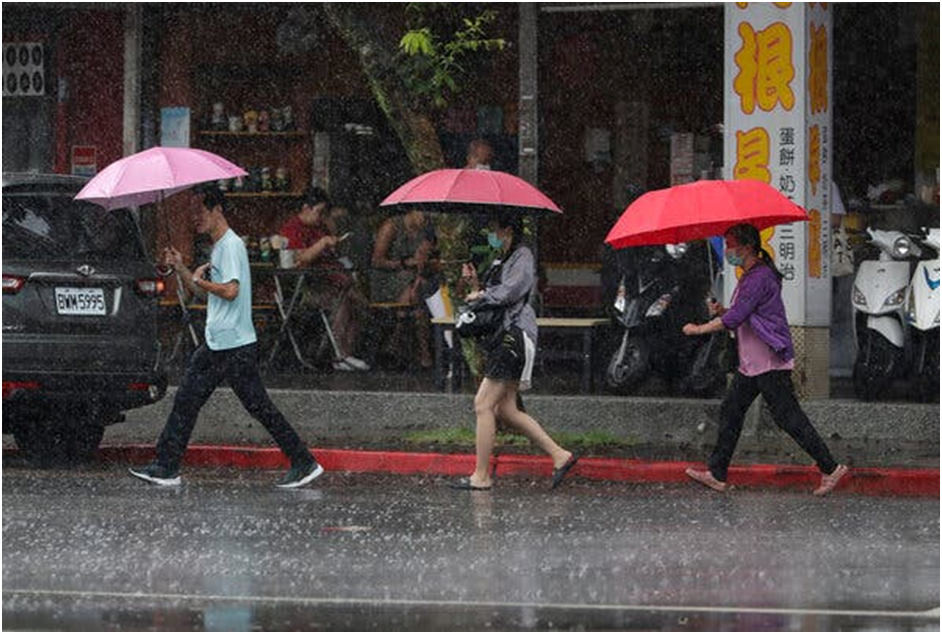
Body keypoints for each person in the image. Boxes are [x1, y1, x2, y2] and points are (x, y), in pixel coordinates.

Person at [130, 186, 323, 488]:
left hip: (230, 344)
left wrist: (200, 281)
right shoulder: (218, 247)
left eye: (200, 212)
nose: (196, 219)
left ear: (217, 209)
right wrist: (182, 267)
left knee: (203, 403)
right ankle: (301, 460)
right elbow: (205, 295)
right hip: (224, 341)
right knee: (209, 402)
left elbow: (231, 291)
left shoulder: (230, 246)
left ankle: (167, 466)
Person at [681, 223, 849, 496]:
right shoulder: (751, 275)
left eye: (731, 245)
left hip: (768, 361)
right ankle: (717, 473)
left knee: (789, 418)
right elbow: (743, 313)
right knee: (731, 411)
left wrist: (698, 328)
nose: (728, 251)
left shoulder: (759, 277)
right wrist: (722, 310)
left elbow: (735, 319)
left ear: (747, 247)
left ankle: (830, 468)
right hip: (752, 363)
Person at [452, 211, 578, 491]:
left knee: (483, 404)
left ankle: (481, 476)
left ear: (508, 230)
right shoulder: (503, 258)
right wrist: (476, 284)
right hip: (505, 336)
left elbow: (510, 293)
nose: (492, 236)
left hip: (514, 337)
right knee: (506, 409)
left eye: (495, 229)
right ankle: (560, 455)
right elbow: (494, 296)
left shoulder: (522, 256)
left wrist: (482, 295)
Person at [279, 187, 369, 372]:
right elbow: (299, 260)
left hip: (336, 280)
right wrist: (321, 244)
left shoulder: (320, 227)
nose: (321, 217)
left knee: (360, 304)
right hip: (309, 287)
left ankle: (346, 351)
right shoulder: (292, 229)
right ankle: (339, 354)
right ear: (306, 208)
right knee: (342, 303)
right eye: (319, 212)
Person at [370, 208, 435, 368]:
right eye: (423, 213)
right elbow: (377, 261)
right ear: (413, 210)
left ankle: (396, 337)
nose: (425, 218)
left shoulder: (426, 229)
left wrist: (419, 269)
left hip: (414, 280)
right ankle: (422, 351)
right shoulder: (392, 226)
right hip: (388, 277)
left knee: (418, 292)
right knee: (415, 293)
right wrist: (403, 263)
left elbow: (423, 258)